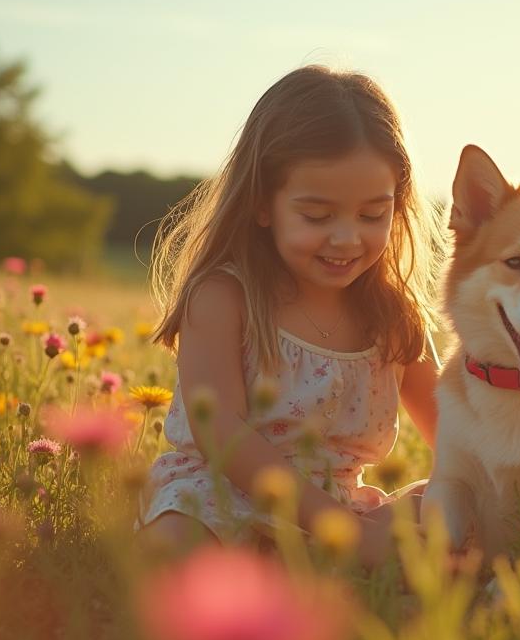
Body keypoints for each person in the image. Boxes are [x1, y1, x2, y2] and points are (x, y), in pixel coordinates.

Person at [134, 65, 445, 567]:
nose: (346, 239)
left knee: (452, 511)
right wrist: (348, 534)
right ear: (262, 204)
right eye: (317, 216)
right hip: (225, 497)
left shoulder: (394, 317)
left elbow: (455, 437)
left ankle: (336, 574)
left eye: (372, 215)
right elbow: (224, 438)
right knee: (178, 543)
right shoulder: (223, 297)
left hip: (344, 507)